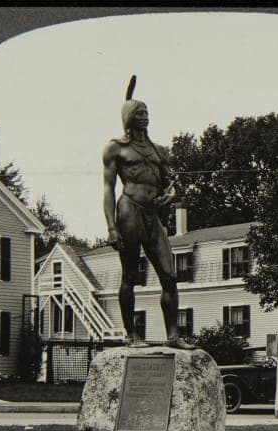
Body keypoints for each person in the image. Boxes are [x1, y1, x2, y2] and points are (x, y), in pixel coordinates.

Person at [102, 76, 194, 350]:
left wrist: (171, 194)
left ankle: (173, 336)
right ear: (128, 117)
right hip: (129, 209)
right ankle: (132, 335)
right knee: (130, 276)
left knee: (169, 275)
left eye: (147, 113)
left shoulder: (159, 150)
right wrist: (111, 227)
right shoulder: (116, 148)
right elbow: (108, 188)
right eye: (139, 113)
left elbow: (172, 182)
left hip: (154, 216)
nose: (145, 117)